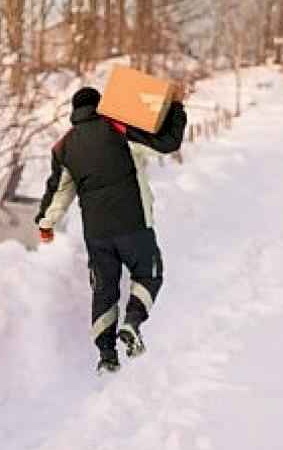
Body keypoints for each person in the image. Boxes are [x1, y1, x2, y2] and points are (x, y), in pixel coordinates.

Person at [35, 87, 187, 375]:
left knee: (104, 288)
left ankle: (107, 355)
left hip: (97, 233)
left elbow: (59, 192)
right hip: (133, 224)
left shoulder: (63, 147)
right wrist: (176, 108)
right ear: (100, 105)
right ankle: (132, 321)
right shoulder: (118, 127)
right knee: (149, 273)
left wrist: (46, 224)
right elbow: (167, 143)